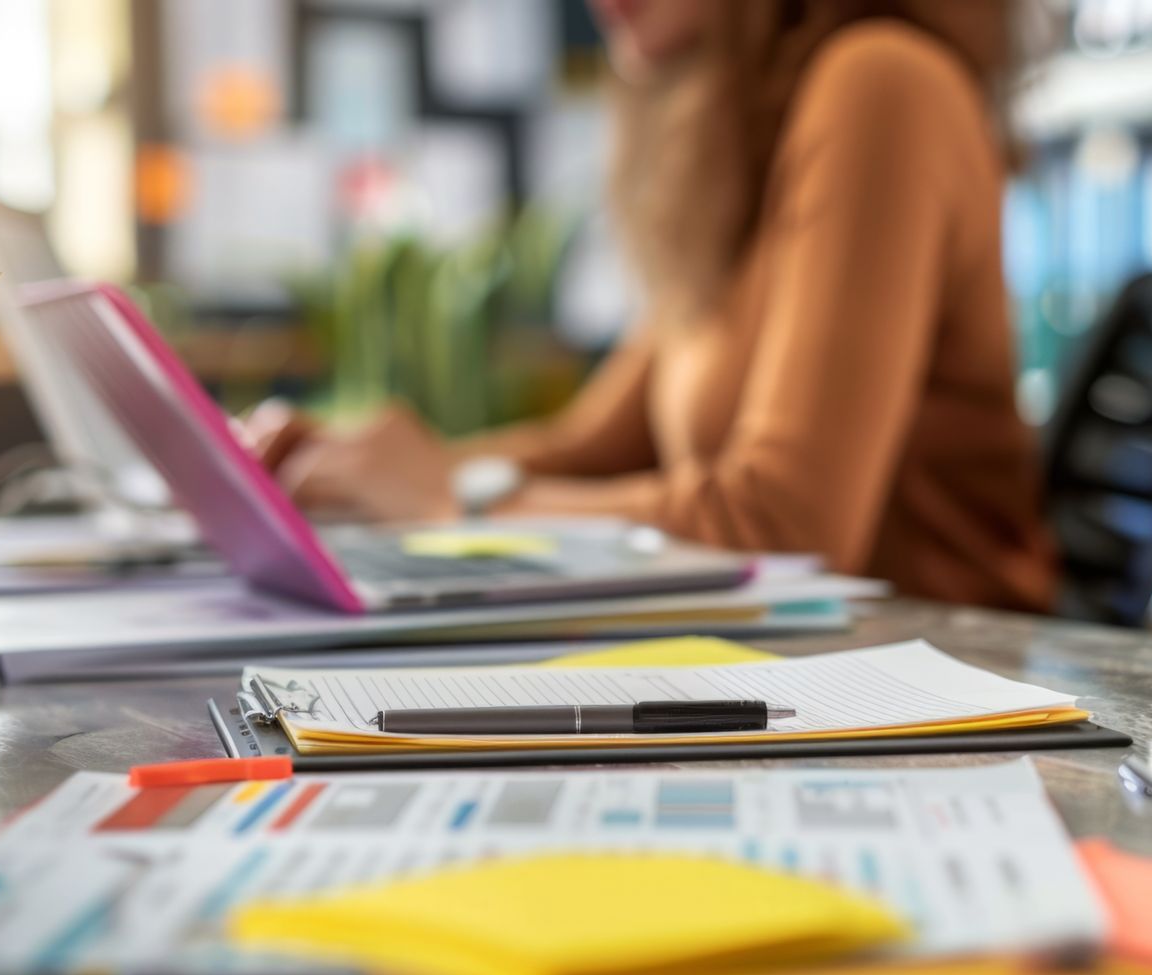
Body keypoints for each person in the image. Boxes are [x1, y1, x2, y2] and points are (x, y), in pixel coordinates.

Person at [250, 0, 1058, 612]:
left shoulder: (882, 83)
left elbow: (787, 526)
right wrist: (357, 471)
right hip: (813, 670)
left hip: (944, 696)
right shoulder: (746, 141)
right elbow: (595, 447)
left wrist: (451, 499)